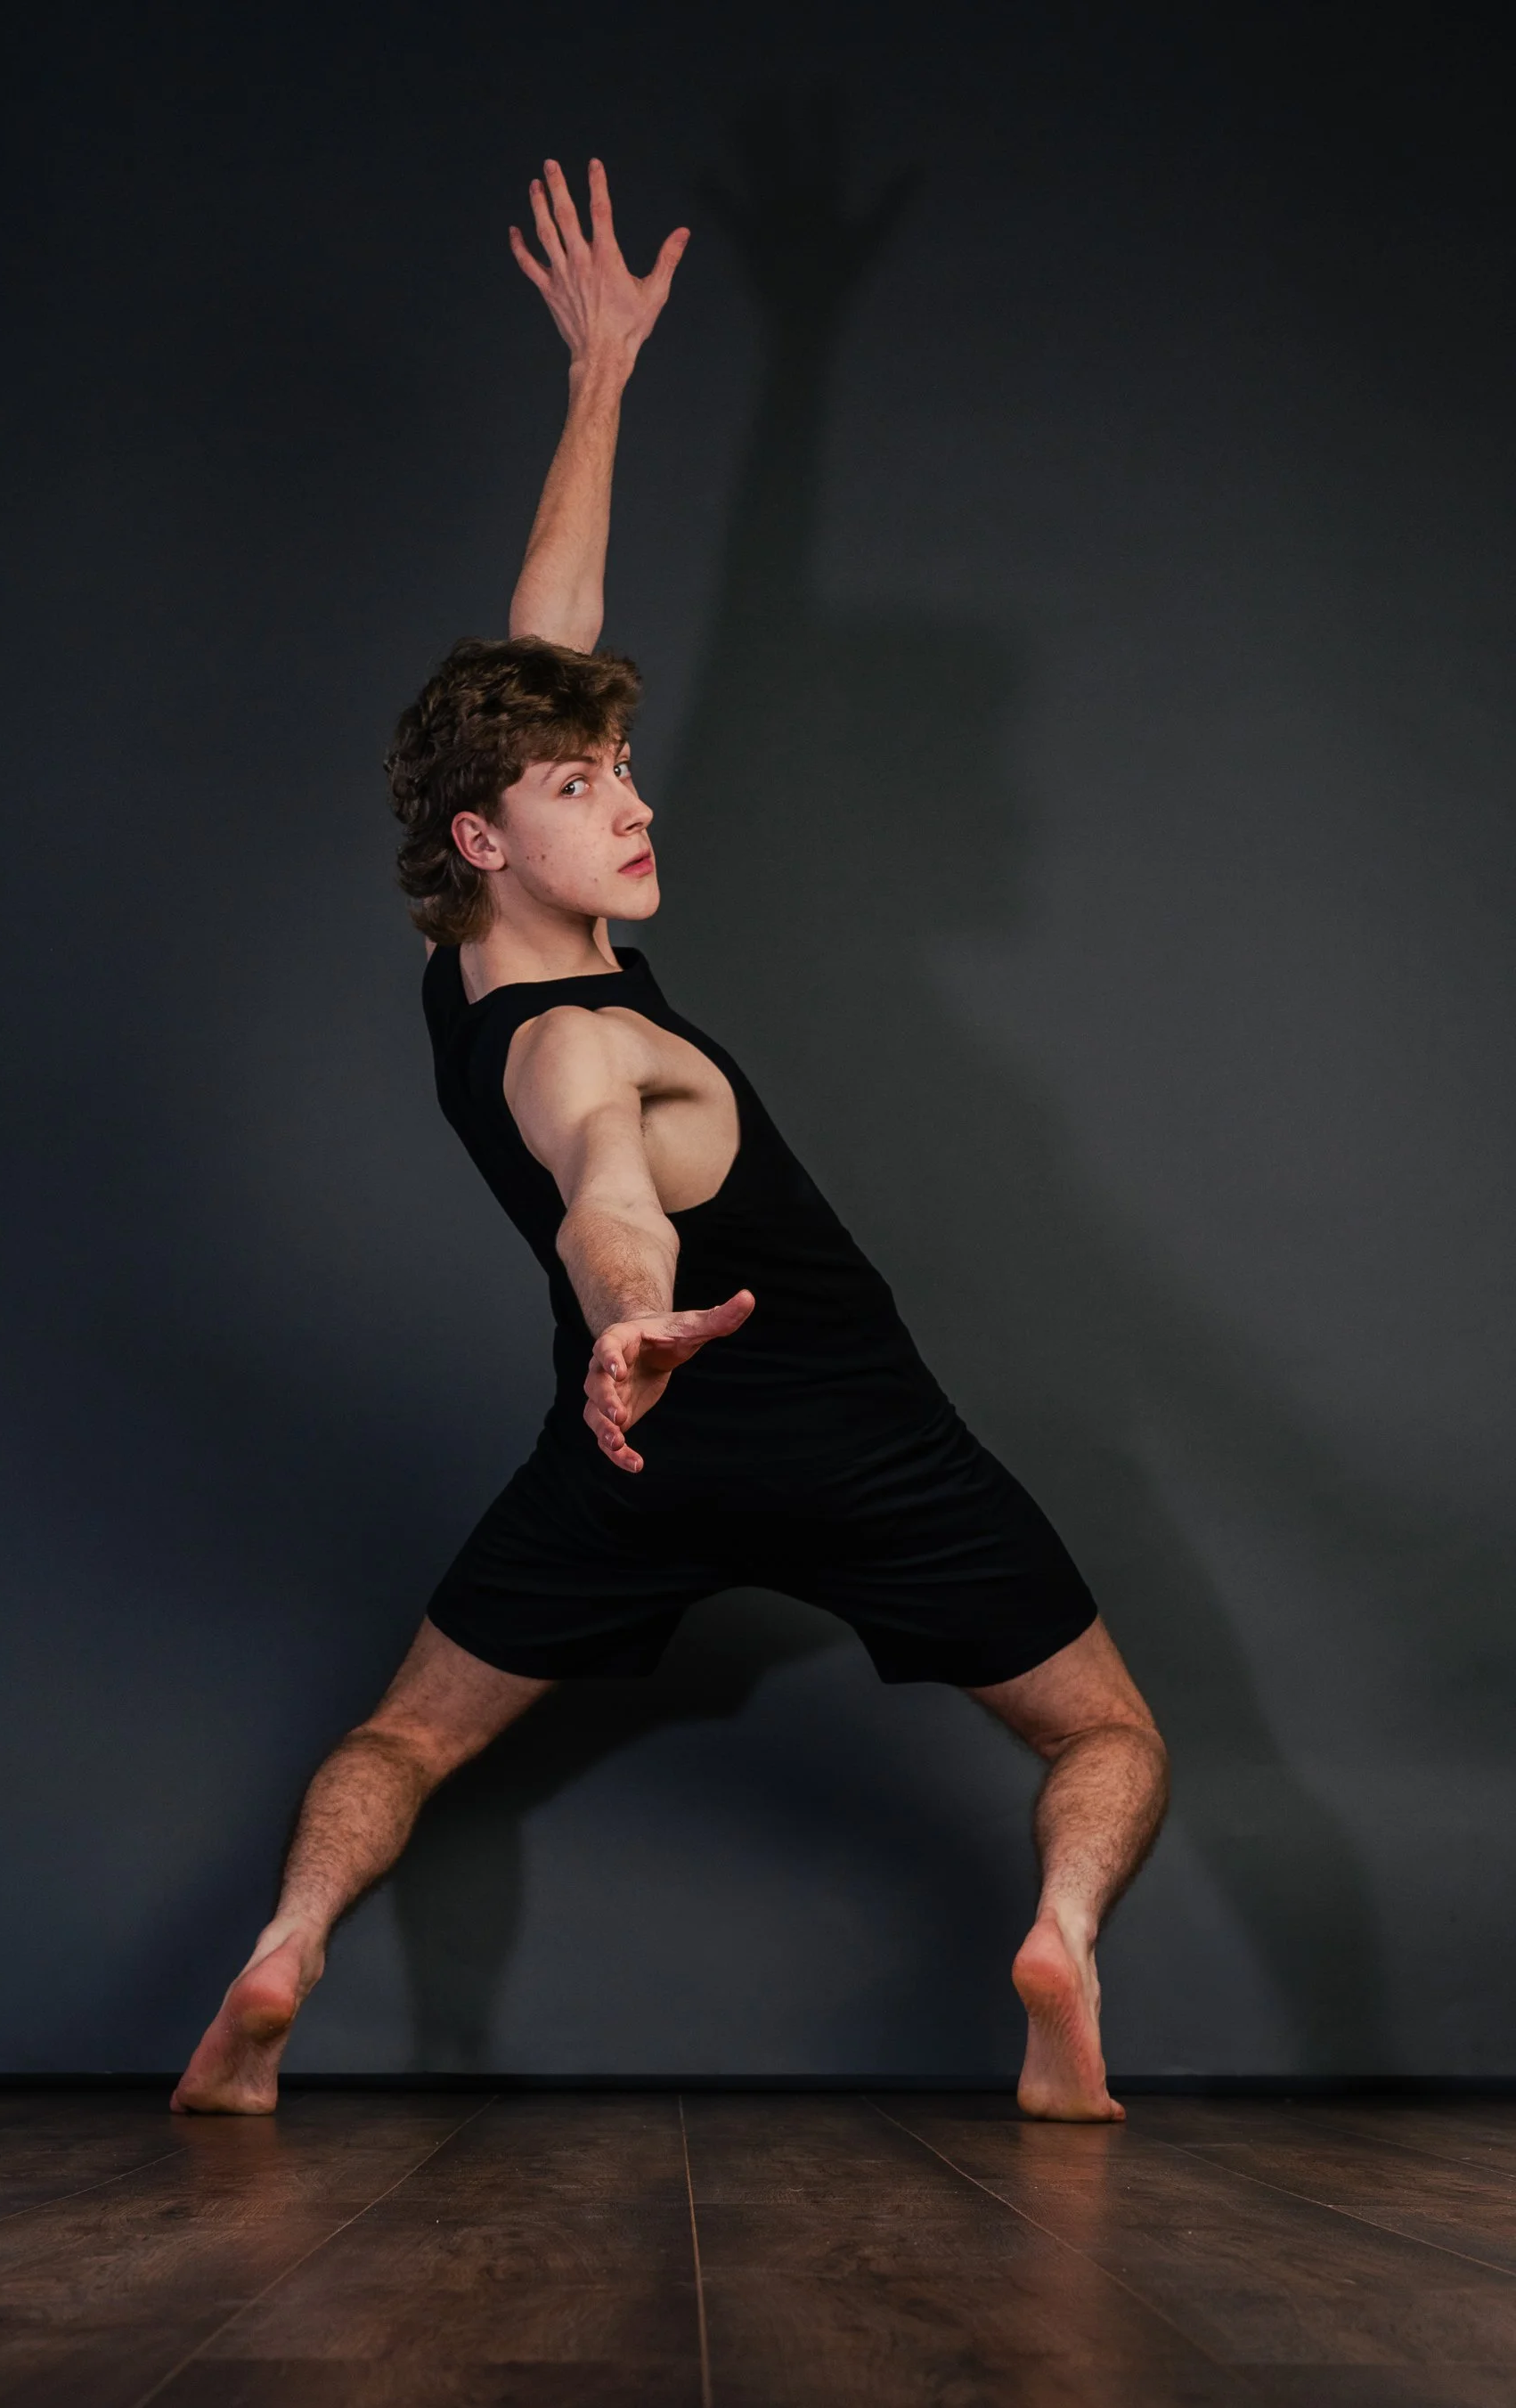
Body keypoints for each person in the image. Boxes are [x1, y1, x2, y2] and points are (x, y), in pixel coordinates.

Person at [173, 157, 1168, 2123]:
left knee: (403, 1740)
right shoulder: (595, 1040)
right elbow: (602, 1180)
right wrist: (630, 1296)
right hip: (846, 1430)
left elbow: (552, 638)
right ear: (486, 834)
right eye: (582, 783)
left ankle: (279, 1951)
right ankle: (1059, 1941)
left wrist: (603, 379)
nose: (631, 798)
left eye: (622, 764)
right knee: (1110, 1736)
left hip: (631, 1452)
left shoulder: (476, 958)